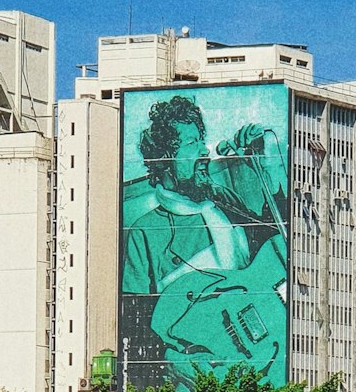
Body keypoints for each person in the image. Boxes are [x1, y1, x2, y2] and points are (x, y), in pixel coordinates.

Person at [121, 95, 287, 298]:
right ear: (164, 158)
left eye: (201, 140)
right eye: (191, 143)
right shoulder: (146, 232)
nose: (204, 149)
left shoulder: (222, 200)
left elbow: (278, 246)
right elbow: (135, 315)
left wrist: (265, 164)